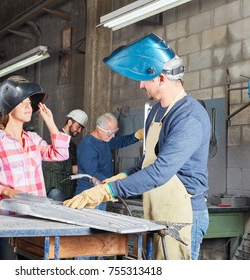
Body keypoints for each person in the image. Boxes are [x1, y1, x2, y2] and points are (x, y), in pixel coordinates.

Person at [64, 33, 211, 260]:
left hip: (184, 215)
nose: (140, 85)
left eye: (145, 79)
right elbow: (146, 164)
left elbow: (161, 170)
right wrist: (117, 178)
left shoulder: (189, 116)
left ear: (161, 78)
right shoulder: (155, 111)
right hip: (156, 208)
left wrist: (109, 191)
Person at [0, 76, 70, 260]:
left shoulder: (33, 140)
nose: (29, 107)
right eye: (23, 102)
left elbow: (60, 154)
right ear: (10, 108)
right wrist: (4, 191)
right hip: (4, 222)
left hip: (34, 220)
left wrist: (50, 122)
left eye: (29, 103)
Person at [75, 112, 144, 211]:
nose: (113, 136)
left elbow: (120, 142)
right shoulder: (88, 146)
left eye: (115, 131)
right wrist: (118, 183)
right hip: (90, 196)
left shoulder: (105, 139)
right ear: (99, 129)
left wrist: (136, 136)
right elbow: (93, 174)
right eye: (111, 133)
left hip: (102, 192)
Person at [42, 109, 88, 201]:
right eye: (78, 126)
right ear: (70, 122)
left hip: (67, 190)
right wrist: (71, 169)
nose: (79, 131)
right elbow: (49, 164)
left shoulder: (73, 145)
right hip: (55, 188)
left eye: (81, 129)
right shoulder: (55, 137)